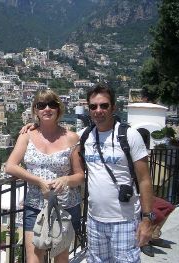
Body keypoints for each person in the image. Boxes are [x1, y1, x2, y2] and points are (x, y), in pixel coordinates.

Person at [20, 83, 155, 262]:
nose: (98, 110)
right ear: (89, 109)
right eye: (93, 106)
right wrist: (34, 125)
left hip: (125, 220)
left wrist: (147, 219)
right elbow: (57, 136)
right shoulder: (84, 136)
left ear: (113, 107)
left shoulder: (130, 136)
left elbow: (145, 179)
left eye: (104, 105)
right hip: (94, 221)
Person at [5, 89, 84, 263]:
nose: (47, 109)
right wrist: (38, 181)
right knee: (34, 258)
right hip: (35, 205)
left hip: (65, 205)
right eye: (41, 105)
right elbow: (10, 166)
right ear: (36, 110)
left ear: (59, 109)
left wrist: (65, 180)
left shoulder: (72, 138)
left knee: (61, 257)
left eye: (52, 104)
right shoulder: (27, 136)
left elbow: (80, 176)